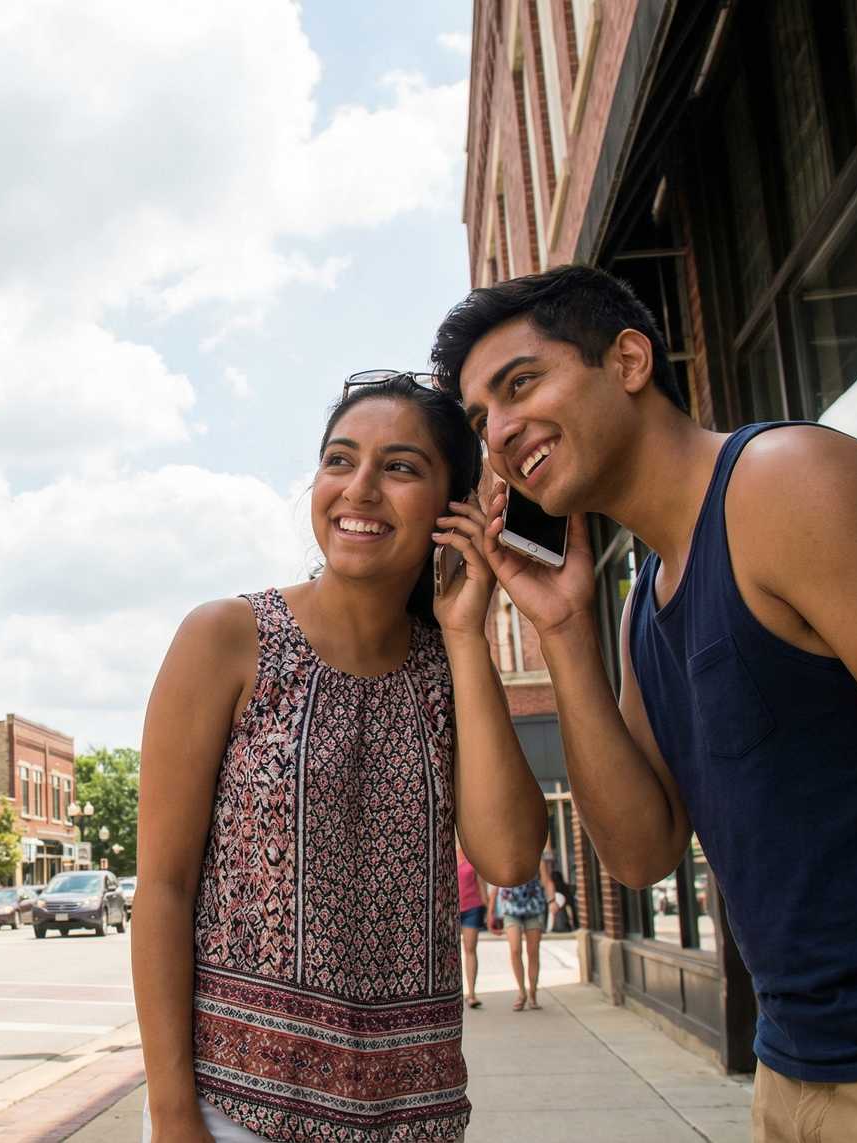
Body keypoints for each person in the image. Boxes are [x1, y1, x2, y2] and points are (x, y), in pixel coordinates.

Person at [432, 264, 857, 1141]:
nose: (502, 432)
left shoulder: (788, 482)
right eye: (483, 419)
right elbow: (640, 852)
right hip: (793, 1074)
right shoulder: (645, 596)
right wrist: (561, 631)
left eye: (521, 383)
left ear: (629, 359)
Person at [134, 373, 548, 1142]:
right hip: (240, 1110)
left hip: (413, 1116)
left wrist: (465, 636)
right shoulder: (227, 637)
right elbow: (161, 885)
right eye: (339, 460)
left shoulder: (447, 669)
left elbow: (511, 855)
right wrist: (172, 1111)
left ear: (451, 506)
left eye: (399, 466)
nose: (359, 489)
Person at [494, 851, 552, 1012]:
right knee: (515, 950)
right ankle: (521, 992)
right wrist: (491, 912)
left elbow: (546, 881)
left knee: (533, 951)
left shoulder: (535, 853)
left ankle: (533, 993)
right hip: (511, 908)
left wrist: (552, 900)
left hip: (533, 907)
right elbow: (496, 885)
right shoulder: (503, 853)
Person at [456, 843, 489, 1010]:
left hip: (472, 908)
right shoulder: (450, 857)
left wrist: (488, 912)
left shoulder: (474, 858)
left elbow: (482, 886)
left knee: (470, 948)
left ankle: (472, 993)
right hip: (452, 909)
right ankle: (455, 992)